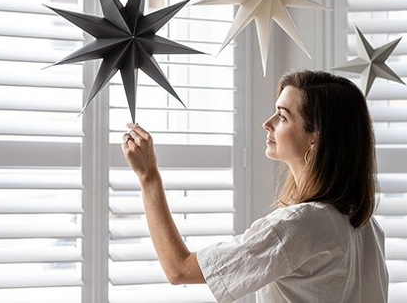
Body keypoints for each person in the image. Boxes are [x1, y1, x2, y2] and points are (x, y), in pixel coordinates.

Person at [122, 70, 389, 302]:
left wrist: (149, 177)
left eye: (283, 117)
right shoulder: (366, 226)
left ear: (314, 139)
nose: (267, 123)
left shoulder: (298, 226)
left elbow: (179, 269)